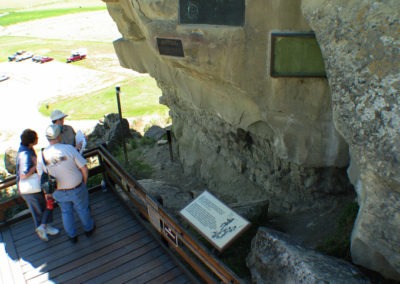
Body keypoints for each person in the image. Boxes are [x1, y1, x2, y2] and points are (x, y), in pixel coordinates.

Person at [37, 124, 95, 243]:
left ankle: (72, 235)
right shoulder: (69, 149)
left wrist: (46, 193)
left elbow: (41, 176)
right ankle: (88, 229)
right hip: (76, 187)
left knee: (66, 212)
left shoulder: (41, 155)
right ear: (59, 136)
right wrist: (83, 182)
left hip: (58, 190)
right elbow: (84, 168)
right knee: (82, 209)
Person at [16, 129, 59, 242]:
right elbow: (23, 174)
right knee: (39, 210)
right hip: (30, 189)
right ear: (31, 141)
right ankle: (42, 229)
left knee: (45, 206)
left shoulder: (27, 149)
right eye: (36, 138)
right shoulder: (25, 154)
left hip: (33, 188)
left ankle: (46, 227)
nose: (38, 139)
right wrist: (36, 165)